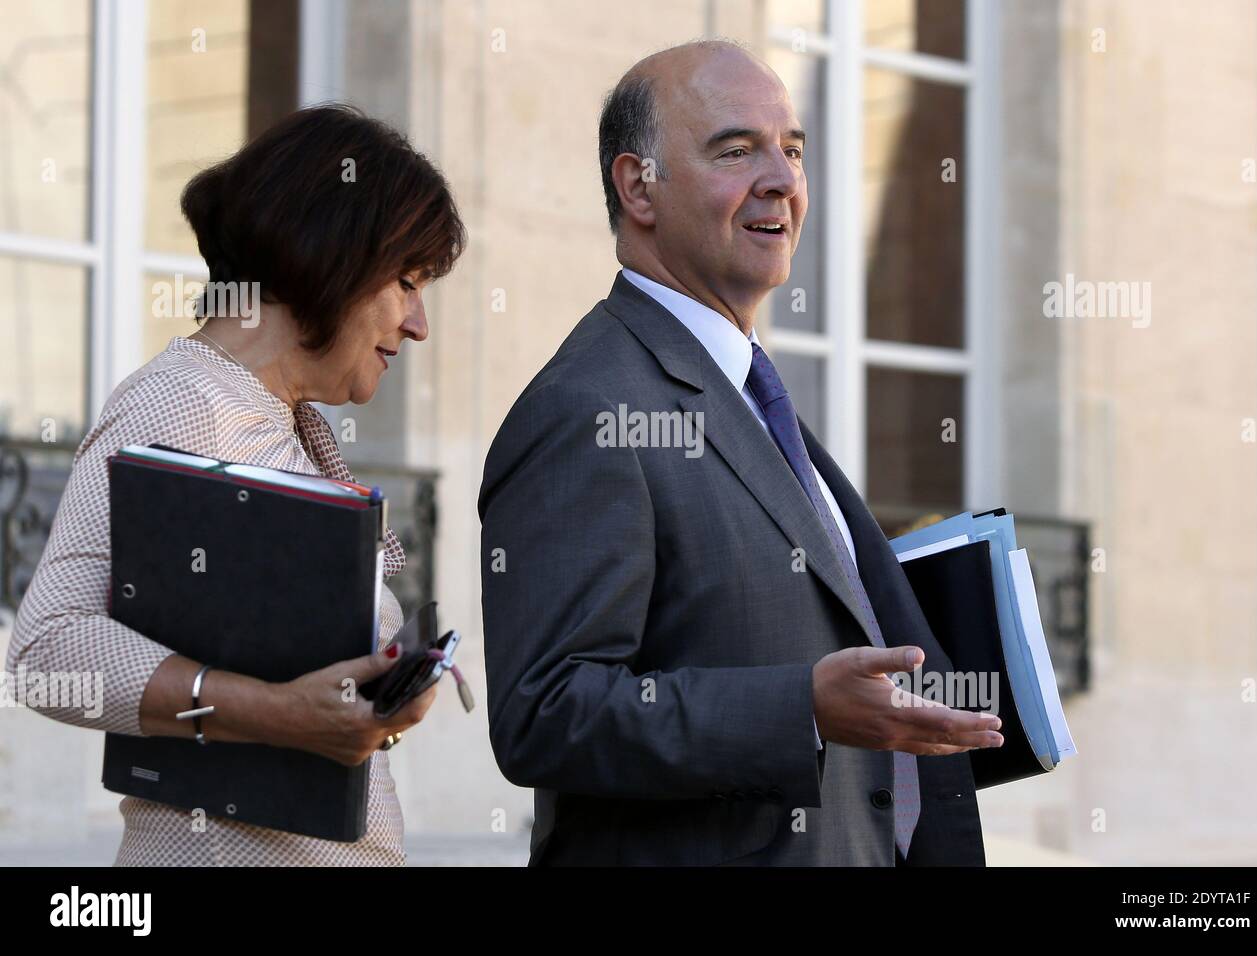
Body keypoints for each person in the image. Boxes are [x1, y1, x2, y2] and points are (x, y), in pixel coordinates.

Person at [479, 40, 1002, 866]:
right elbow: (544, 714)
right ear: (636, 186)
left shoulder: (747, 388)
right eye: (736, 150)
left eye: (791, 150)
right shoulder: (587, 405)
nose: (783, 180)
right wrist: (801, 709)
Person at [8, 104, 465, 866]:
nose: (418, 324)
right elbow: (48, 651)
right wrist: (282, 714)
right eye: (407, 281)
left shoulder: (279, 420)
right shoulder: (181, 400)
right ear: (331, 257)